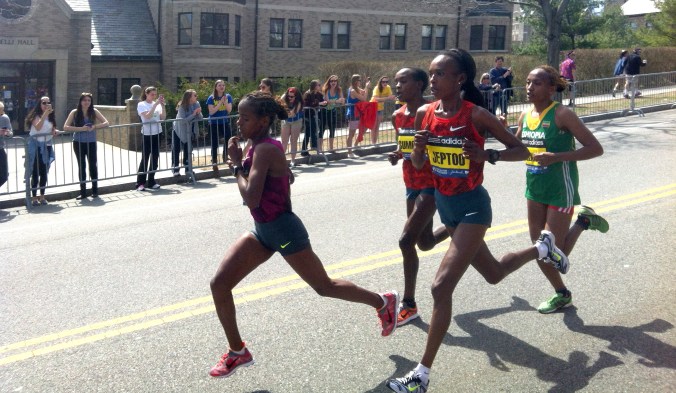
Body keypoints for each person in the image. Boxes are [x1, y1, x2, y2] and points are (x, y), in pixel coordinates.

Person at [386, 49, 569, 393]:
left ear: (460, 80)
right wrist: (419, 149)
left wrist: (488, 153)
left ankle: (421, 376)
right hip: (446, 206)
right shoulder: (425, 113)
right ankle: (542, 247)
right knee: (494, 274)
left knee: (440, 287)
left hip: (473, 208)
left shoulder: (477, 115)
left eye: (441, 74)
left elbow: (521, 150)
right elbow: (420, 164)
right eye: (432, 73)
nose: (435, 79)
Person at [208, 91, 399, 378]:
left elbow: (251, 198)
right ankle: (238, 352)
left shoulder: (265, 149)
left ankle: (383, 302)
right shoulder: (256, 145)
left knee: (324, 287)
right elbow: (279, 177)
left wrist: (235, 165)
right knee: (219, 284)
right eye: (239, 117)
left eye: (245, 118)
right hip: (263, 230)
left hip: (283, 230)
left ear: (263, 121)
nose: (239, 122)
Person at [516, 65, 607, 314]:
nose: (529, 87)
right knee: (540, 249)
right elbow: (518, 149)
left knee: (555, 252)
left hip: (560, 189)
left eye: (536, 83)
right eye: (527, 82)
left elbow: (595, 148)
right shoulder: (524, 116)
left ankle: (584, 222)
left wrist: (556, 157)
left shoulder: (562, 114)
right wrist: (501, 130)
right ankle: (562, 293)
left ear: (552, 88)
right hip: (534, 189)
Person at [387, 67, 449, 326]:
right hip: (410, 184)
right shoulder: (397, 115)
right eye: (396, 82)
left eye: (403, 81)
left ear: (420, 84)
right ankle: (459, 227)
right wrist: (396, 154)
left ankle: (409, 304)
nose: (397, 86)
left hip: (432, 185)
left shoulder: (433, 111)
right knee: (424, 243)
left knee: (405, 241)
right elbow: (405, 147)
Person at [63, 92, 109, 199]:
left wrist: (94, 126)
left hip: (91, 142)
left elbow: (106, 122)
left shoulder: (94, 111)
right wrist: (81, 129)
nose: (86, 102)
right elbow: (65, 127)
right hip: (78, 142)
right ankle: (83, 192)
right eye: (84, 100)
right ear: (80, 101)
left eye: (89, 100)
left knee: (93, 165)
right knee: (82, 166)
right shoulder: (74, 112)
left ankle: (95, 191)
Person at [26, 96, 56, 206]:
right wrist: (45, 114)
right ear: (40, 104)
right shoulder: (35, 115)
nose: (46, 105)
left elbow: (51, 127)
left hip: (47, 145)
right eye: (44, 102)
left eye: (48, 102)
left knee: (44, 172)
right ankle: (34, 197)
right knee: (35, 172)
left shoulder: (51, 116)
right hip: (35, 146)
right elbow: (38, 127)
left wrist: (54, 130)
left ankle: (42, 196)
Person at [136, 86, 166, 191]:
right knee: (145, 158)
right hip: (147, 134)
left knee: (155, 157)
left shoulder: (156, 104)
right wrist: (156, 104)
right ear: (146, 94)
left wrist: (162, 105)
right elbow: (147, 116)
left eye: (155, 94)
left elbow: (163, 118)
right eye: (152, 94)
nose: (154, 96)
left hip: (157, 132)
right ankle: (140, 182)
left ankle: (151, 181)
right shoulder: (141, 104)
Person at [172, 89, 203, 177]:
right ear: (189, 97)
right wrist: (193, 114)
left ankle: (188, 168)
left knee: (188, 150)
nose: (197, 97)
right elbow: (182, 121)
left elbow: (200, 118)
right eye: (195, 95)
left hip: (189, 131)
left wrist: (199, 113)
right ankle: (175, 169)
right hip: (179, 129)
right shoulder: (182, 106)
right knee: (176, 149)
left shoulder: (197, 104)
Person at [207, 80, 233, 175]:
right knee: (214, 142)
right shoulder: (211, 98)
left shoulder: (228, 96)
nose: (222, 87)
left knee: (228, 139)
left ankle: (225, 156)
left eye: (223, 85)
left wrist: (225, 102)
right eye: (219, 85)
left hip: (224, 122)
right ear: (216, 87)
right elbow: (211, 112)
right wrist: (219, 103)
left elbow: (229, 110)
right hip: (214, 123)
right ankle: (214, 160)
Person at [345, 74, 371, 158]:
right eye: (359, 80)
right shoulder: (352, 90)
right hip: (353, 114)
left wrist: (366, 87)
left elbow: (363, 93)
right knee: (351, 134)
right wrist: (366, 88)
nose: (360, 82)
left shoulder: (356, 88)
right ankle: (349, 152)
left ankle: (355, 144)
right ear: (355, 81)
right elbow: (364, 98)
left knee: (365, 127)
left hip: (359, 113)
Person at [301, 80, 326, 156]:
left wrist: (324, 103)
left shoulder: (319, 94)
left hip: (315, 115)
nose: (320, 86)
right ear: (314, 86)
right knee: (309, 133)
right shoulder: (307, 94)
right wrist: (318, 103)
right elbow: (307, 105)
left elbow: (322, 102)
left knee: (310, 132)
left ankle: (305, 150)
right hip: (308, 116)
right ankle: (311, 147)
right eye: (318, 85)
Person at [280, 87, 303, 166]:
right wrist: (284, 97)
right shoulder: (285, 97)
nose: (290, 98)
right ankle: (282, 161)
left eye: (292, 96)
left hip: (296, 121)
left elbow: (292, 114)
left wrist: (284, 111)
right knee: (284, 142)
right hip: (286, 121)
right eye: (288, 96)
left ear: (296, 96)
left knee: (293, 141)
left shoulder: (298, 103)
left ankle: (293, 160)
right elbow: (280, 100)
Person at [320, 75, 345, 152]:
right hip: (324, 111)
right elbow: (327, 101)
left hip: (332, 111)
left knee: (332, 129)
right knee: (322, 129)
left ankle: (331, 148)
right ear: (329, 82)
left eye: (335, 81)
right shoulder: (326, 89)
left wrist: (341, 100)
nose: (333, 82)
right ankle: (319, 148)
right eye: (331, 81)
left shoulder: (339, 89)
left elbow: (342, 101)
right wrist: (337, 101)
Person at [369, 76, 396, 144]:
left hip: (380, 108)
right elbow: (376, 99)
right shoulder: (377, 88)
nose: (385, 83)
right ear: (380, 82)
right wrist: (387, 98)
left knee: (377, 126)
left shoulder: (388, 87)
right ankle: (373, 143)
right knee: (373, 126)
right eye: (383, 82)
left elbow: (391, 96)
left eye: (386, 82)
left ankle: (375, 142)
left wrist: (393, 98)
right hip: (373, 108)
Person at [0, 102, 14, 190]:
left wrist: (7, 133)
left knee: (4, 175)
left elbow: (11, 133)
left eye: (2, 110)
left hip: (0, 148)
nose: (2, 112)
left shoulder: (4, 118)